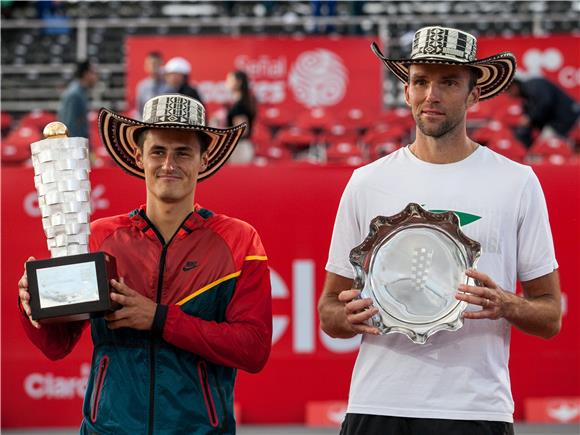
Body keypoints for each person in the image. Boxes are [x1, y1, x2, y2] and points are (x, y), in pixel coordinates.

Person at [318, 26, 562, 435]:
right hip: (376, 403)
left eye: (448, 82)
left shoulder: (517, 182)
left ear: (473, 94)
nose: (431, 94)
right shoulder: (366, 182)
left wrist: (506, 303)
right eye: (421, 81)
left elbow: (550, 314)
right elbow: (328, 311)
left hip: (475, 408)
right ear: (407, 90)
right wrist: (348, 316)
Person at [18, 94, 272, 434]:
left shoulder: (240, 240)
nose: (169, 163)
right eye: (158, 151)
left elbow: (253, 349)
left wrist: (158, 318)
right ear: (138, 156)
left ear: (203, 158)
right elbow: (56, 345)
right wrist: (34, 306)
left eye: (183, 151)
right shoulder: (99, 236)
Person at [507, 75, 580, 148]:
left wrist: (530, 118)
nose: (510, 95)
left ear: (514, 86)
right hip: (562, 126)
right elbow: (539, 120)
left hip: (572, 118)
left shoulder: (533, 85)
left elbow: (546, 102)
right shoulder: (526, 100)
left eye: (509, 91)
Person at [57, 59, 98, 139]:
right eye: (94, 73)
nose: (96, 77)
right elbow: (68, 125)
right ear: (86, 74)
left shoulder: (80, 92)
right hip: (75, 146)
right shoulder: (74, 94)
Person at [224, 70, 257, 163]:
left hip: (239, 148)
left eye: (230, 80)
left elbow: (242, 131)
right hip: (239, 146)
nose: (227, 83)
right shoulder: (241, 102)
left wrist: (222, 130)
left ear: (239, 82)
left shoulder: (240, 105)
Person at [135, 51, 164, 116]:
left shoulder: (169, 85)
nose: (152, 66)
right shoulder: (142, 86)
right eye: (149, 63)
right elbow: (139, 110)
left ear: (161, 64)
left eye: (155, 63)